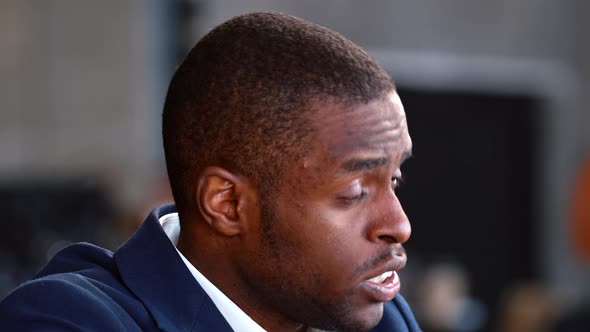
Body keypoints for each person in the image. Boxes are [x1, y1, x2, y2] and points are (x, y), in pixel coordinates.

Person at [0, 12, 420, 332]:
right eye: (354, 191)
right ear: (227, 203)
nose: (399, 225)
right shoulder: (66, 319)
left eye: (394, 180)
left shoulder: (377, 314)